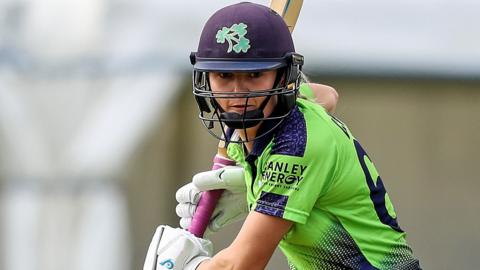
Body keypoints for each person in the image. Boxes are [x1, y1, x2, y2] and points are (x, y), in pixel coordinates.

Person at [144, 2, 421, 269]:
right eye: (224, 75)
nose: (238, 94)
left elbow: (244, 265)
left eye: (254, 74)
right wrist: (254, 182)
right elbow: (328, 95)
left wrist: (188, 265)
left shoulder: (296, 147)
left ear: (283, 77)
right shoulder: (263, 123)